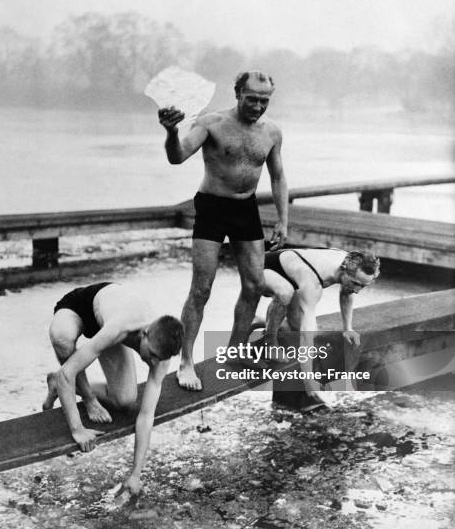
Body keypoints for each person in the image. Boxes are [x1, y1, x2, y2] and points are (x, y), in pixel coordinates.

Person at [158, 70, 288, 391]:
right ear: (237, 93)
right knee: (201, 288)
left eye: (264, 100)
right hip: (212, 207)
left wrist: (284, 220)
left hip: (246, 209)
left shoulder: (272, 132)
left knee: (255, 284)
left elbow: (278, 177)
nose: (257, 106)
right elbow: (177, 157)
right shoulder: (211, 123)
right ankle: (186, 362)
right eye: (251, 99)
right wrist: (171, 132)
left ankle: (235, 350)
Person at [42, 282, 183, 496]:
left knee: (125, 400)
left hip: (109, 322)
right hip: (82, 305)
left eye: (159, 358)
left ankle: (56, 384)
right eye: (151, 354)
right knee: (62, 338)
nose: (153, 362)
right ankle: (83, 394)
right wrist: (77, 429)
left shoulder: (161, 357)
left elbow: (146, 416)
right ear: (145, 333)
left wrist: (135, 474)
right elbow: (66, 373)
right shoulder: (119, 328)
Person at [262, 248, 380, 400]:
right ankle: (270, 342)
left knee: (295, 326)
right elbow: (307, 333)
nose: (357, 291)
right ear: (343, 272)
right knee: (287, 296)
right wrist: (308, 379)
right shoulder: (313, 283)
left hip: (292, 271)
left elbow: (347, 292)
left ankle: (260, 321)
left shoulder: (351, 264)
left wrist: (347, 329)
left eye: (363, 286)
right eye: (356, 284)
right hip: (265, 267)